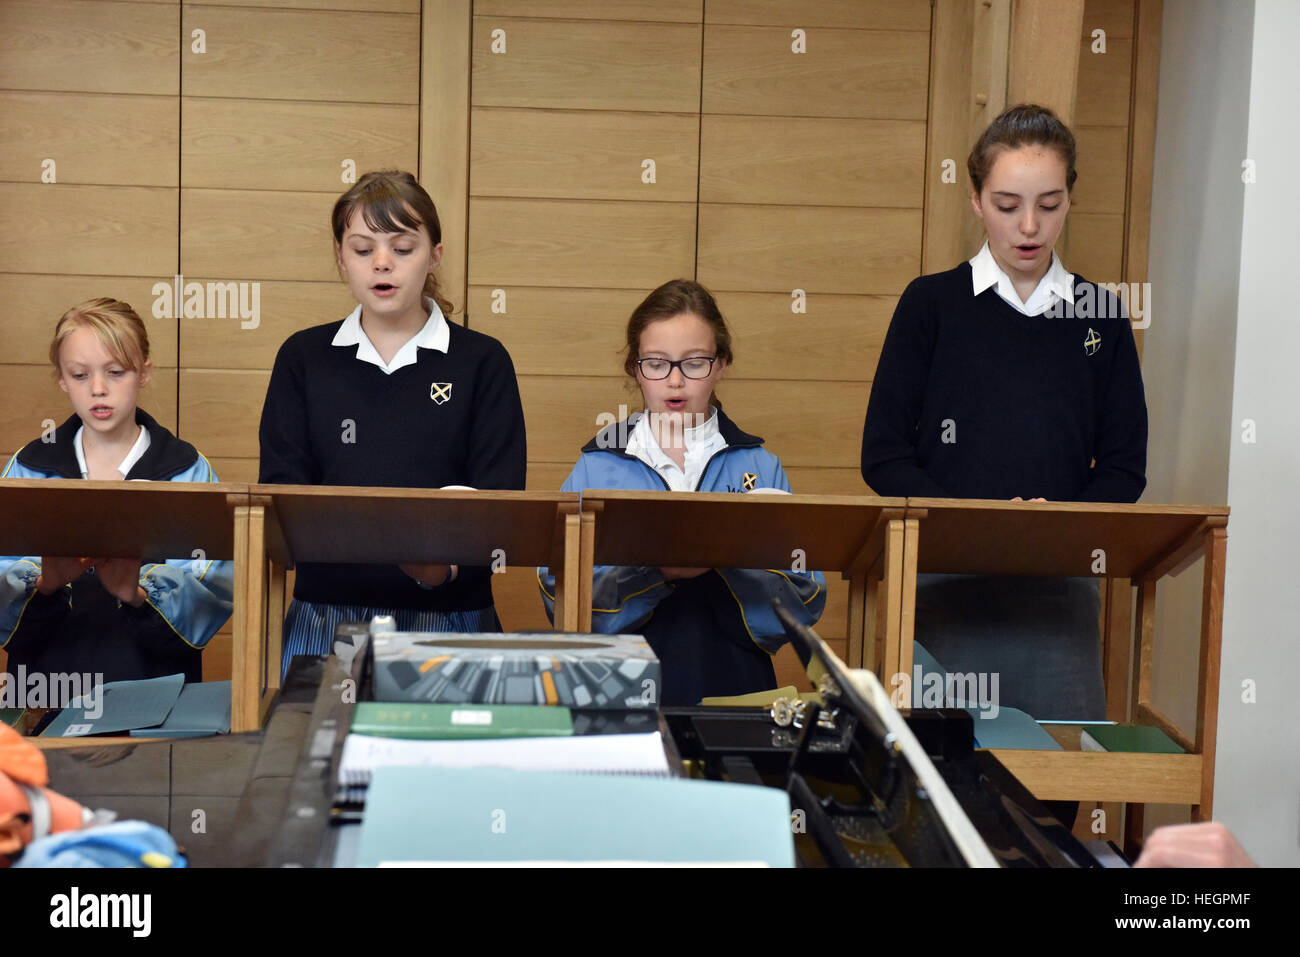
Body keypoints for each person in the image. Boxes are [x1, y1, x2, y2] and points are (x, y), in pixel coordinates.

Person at [860, 103, 1147, 730]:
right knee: (941, 784)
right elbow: (883, 453)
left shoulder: (1100, 314)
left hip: (1058, 591)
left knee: (1059, 789)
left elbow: (1125, 467)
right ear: (976, 200)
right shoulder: (931, 304)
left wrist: (1059, 529)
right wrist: (970, 525)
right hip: (941, 582)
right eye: (1007, 203)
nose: (1029, 225)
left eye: (1048, 204)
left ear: (1070, 198)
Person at [258, 170, 526, 672]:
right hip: (325, 619)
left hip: (452, 620)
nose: (383, 263)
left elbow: (501, 503)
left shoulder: (482, 361)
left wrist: (440, 567)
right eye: (363, 250)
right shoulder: (304, 357)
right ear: (341, 258)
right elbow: (283, 495)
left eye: (403, 248)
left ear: (435, 255)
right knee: (316, 750)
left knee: (448, 753)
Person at [537, 280, 826, 705]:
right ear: (635, 368)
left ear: (722, 363)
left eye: (694, 363)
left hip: (734, 679)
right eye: (656, 363)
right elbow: (557, 593)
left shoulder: (760, 465)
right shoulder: (596, 465)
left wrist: (725, 563)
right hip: (618, 685)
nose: (675, 381)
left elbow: (806, 598)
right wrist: (657, 572)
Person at [0, 298, 234, 685]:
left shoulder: (187, 471)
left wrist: (137, 594)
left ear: (144, 373)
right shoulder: (28, 469)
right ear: (60, 378)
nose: (97, 389)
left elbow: (211, 596)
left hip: (157, 696)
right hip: (47, 691)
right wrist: (46, 586)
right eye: (79, 375)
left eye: (115, 372)